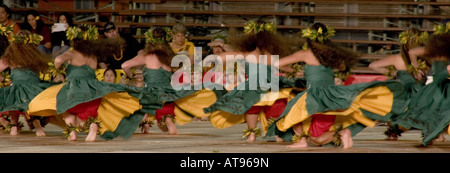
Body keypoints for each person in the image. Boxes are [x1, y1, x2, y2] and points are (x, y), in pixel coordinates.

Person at [266, 23, 409, 149]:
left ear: (308, 37)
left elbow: (277, 64)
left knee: (291, 113)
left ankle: (308, 139)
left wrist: (297, 72)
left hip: (313, 96)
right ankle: (334, 134)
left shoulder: (305, 54)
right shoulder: (330, 54)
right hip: (331, 96)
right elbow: (342, 68)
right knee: (314, 135)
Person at [27, 24, 162, 141]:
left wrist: (58, 70)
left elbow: (57, 61)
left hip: (74, 88)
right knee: (91, 111)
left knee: (65, 108)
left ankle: (72, 131)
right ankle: (93, 127)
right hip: (93, 88)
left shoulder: (73, 53)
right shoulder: (92, 56)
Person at [203, 21, 305, 142]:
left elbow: (226, 56)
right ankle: (276, 133)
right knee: (272, 107)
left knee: (254, 108)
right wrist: (294, 71)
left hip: (255, 87)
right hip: (267, 86)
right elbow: (281, 65)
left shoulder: (246, 54)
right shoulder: (265, 55)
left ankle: (253, 133)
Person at [122, 27, 226, 135]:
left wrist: (132, 76)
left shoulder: (146, 56)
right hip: (167, 93)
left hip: (150, 93)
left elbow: (124, 66)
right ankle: (166, 121)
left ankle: (145, 121)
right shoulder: (170, 57)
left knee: (140, 97)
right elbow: (179, 71)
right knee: (167, 116)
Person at [390, 29, 450, 146]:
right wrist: (416, 68)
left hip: (436, 86)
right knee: (440, 110)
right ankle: (433, 134)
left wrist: (416, 68)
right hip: (444, 86)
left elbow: (412, 52)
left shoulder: (433, 51)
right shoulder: (442, 52)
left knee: (432, 110)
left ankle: (433, 134)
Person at [369, 28, 429, 140]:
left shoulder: (397, 59)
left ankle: (394, 132)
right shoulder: (424, 59)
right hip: (421, 97)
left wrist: (393, 72)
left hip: (402, 97)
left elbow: (372, 66)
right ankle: (434, 133)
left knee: (395, 110)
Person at [0, 30, 54, 136]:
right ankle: (36, 123)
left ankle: (14, 127)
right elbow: (47, 70)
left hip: (18, 87)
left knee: (13, 101)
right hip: (35, 87)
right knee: (30, 101)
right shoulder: (35, 56)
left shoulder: (10, 57)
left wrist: (3, 79)